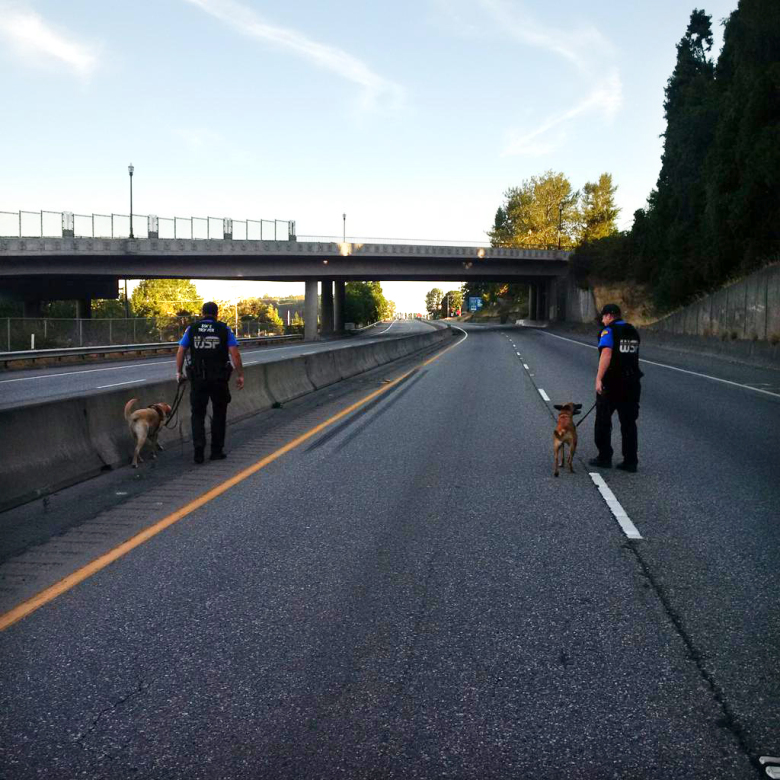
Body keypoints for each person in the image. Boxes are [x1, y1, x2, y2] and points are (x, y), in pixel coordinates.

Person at [176, 302, 244, 464]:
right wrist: (240, 374)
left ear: (202, 313)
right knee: (219, 414)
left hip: (198, 379)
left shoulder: (192, 329)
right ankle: (216, 451)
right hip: (219, 379)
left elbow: (181, 350)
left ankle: (198, 452)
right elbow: (235, 354)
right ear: (217, 313)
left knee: (197, 415)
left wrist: (178, 372)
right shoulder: (224, 329)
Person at [588, 303, 643, 472]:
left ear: (610, 316)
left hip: (612, 384)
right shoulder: (632, 330)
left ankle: (604, 457)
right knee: (628, 423)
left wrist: (599, 379)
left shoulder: (609, 331)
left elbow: (606, 353)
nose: (603, 320)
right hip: (632, 383)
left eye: (604, 316)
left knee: (603, 421)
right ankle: (630, 461)